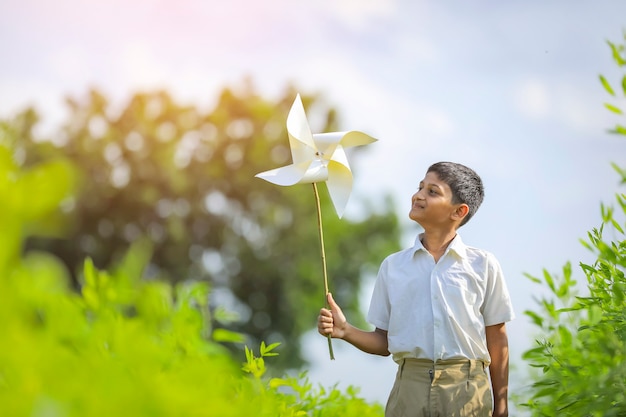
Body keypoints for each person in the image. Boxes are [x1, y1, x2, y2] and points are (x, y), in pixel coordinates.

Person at [317, 161, 515, 417]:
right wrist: (345, 331)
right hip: (408, 390)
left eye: (433, 191)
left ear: (459, 211)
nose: (419, 195)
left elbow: (497, 337)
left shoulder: (483, 265)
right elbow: (384, 342)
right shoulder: (393, 266)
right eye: (420, 187)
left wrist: (501, 404)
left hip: (467, 392)